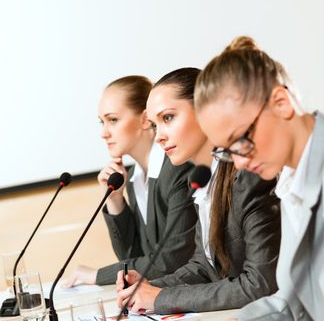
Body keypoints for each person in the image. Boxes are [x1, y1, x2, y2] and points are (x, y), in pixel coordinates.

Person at [116, 67, 281, 314]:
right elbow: (205, 266)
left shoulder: (249, 176)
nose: (159, 137)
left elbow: (259, 284)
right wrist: (146, 288)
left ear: (205, 111)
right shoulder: (205, 179)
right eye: (154, 125)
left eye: (168, 118)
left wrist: (161, 298)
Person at [195, 36, 323, 320]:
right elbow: (291, 303)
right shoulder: (290, 185)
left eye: (240, 140)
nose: (239, 162)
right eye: (226, 151)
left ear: (281, 102)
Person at [64, 75, 197, 287]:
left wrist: (97, 276)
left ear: (145, 119)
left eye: (113, 120)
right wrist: (115, 201)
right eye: (102, 122)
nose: (104, 133)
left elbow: (171, 260)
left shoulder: (177, 170)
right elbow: (132, 256)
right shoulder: (136, 177)